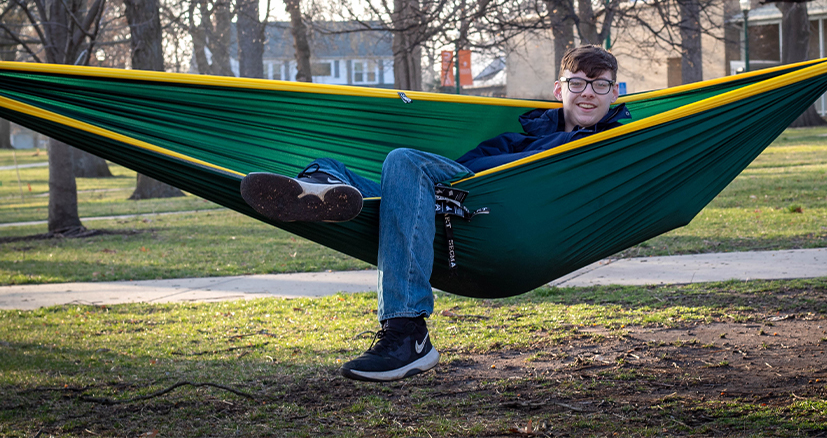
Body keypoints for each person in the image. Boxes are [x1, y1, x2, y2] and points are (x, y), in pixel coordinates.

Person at [240, 45, 630, 382]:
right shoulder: (521, 136)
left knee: (404, 161)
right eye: (577, 83)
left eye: (600, 85)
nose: (587, 93)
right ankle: (320, 188)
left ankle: (409, 333)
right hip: (450, 202)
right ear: (559, 90)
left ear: (614, 92)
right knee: (334, 165)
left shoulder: (617, 145)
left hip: (490, 216)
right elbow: (468, 165)